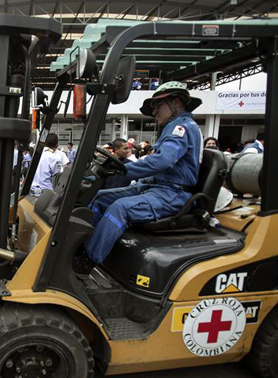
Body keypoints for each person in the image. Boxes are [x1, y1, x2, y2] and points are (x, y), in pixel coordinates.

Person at [85, 81, 203, 263]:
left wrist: (123, 170)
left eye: (158, 105)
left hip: (172, 193)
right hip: (154, 187)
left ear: (177, 102)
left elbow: (163, 160)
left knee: (120, 208)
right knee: (99, 197)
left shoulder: (182, 127)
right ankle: (85, 245)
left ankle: (88, 261)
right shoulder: (173, 127)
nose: (154, 111)